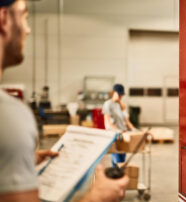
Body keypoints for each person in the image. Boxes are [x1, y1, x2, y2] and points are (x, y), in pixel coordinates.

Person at [0, 0, 128, 201]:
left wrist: (23, 160)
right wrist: (97, 197)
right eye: (25, 17)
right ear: (4, 19)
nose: (27, 30)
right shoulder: (9, 115)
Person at [103, 84, 136, 165]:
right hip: (114, 136)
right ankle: (115, 176)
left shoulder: (121, 105)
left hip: (123, 135)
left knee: (122, 161)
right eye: (119, 94)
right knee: (117, 161)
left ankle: (120, 176)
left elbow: (127, 121)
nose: (120, 96)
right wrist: (118, 131)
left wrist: (134, 130)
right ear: (114, 92)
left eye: (122, 95)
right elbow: (108, 122)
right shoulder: (108, 104)